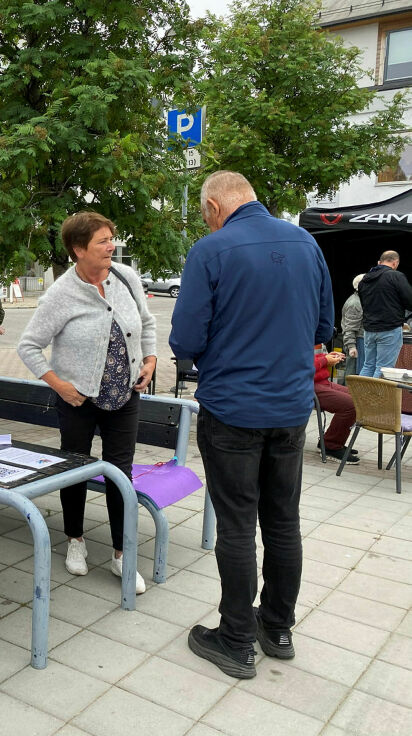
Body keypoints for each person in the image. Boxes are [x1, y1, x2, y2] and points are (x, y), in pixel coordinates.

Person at [170, 171, 334, 679]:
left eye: (204, 214)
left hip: (233, 410)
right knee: (284, 522)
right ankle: (278, 628)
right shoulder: (307, 243)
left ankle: (237, 639)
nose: (205, 221)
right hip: (290, 410)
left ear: (216, 206)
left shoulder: (211, 250)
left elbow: (186, 340)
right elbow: (324, 329)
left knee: (238, 525)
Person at [17, 211, 155, 593]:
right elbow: (28, 346)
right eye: (103, 241)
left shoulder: (126, 279)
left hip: (125, 395)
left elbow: (148, 324)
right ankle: (75, 541)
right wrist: (59, 385)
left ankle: (122, 553)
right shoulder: (61, 294)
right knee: (74, 469)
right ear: (79, 249)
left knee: (120, 474)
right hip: (78, 399)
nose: (112, 246)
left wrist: (151, 359)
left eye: (112, 238)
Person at [358, 250, 412, 378]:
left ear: (379, 262)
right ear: (395, 263)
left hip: (369, 329)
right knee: (383, 369)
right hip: (389, 328)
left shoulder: (364, 281)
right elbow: (410, 300)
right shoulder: (396, 276)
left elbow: (363, 304)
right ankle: (375, 398)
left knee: (368, 365)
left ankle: (359, 397)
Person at [314, 347, 358, 464]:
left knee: (359, 398)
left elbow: (312, 358)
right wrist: (325, 360)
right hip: (306, 384)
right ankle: (331, 445)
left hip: (321, 381)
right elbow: (297, 367)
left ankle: (332, 441)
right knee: (351, 405)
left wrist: (329, 357)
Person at [341, 274, 365, 378]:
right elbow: (349, 328)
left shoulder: (361, 300)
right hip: (357, 342)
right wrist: (351, 347)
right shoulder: (355, 303)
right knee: (353, 375)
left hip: (360, 341)